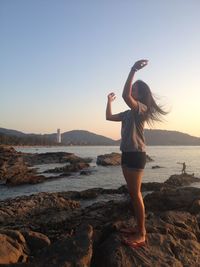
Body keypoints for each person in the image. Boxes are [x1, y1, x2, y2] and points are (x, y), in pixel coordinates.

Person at [106, 59, 167, 249]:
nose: (132, 90)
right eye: (133, 88)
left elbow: (125, 94)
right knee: (133, 194)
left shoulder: (142, 109)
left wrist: (133, 70)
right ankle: (137, 227)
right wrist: (108, 102)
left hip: (136, 154)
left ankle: (142, 232)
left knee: (136, 194)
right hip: (126, 153)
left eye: (136, 88)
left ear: (141, 94)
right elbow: (108, 117)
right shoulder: (127, 113)